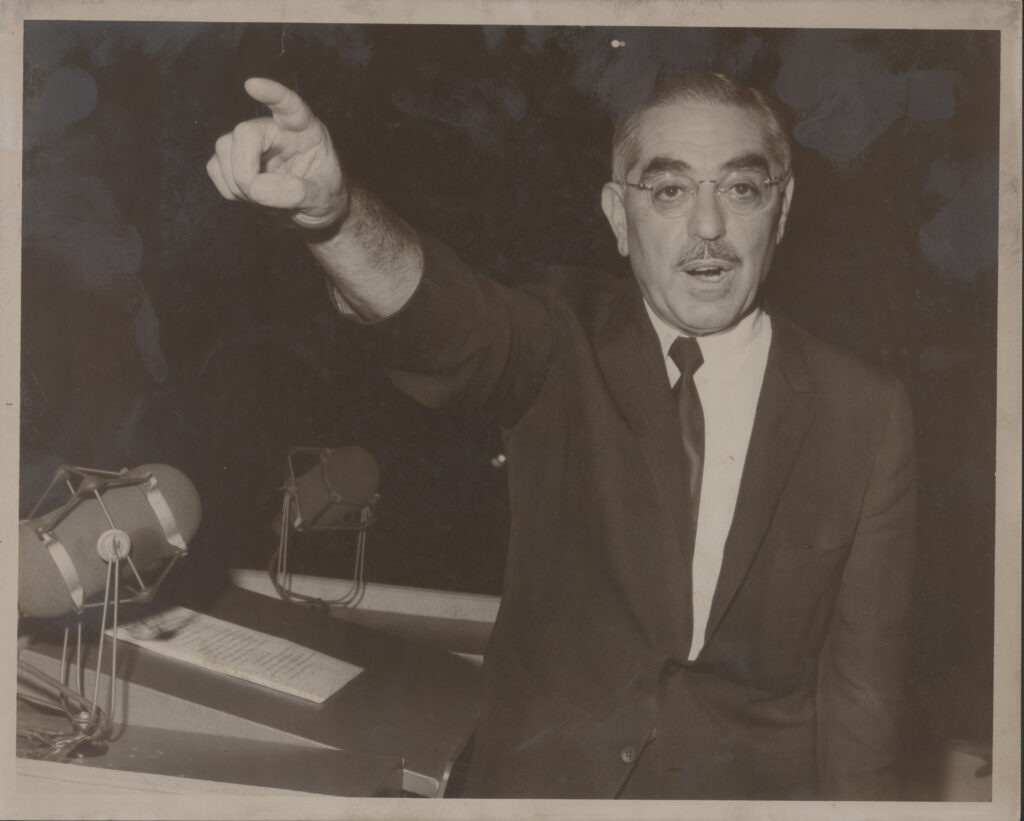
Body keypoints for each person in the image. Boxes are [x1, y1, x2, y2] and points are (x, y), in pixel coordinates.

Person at [207, 70, 917, 800]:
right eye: (669, 191)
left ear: (782, 207)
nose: (708, 226)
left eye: (741, 188)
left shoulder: (865, 413)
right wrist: (335, 217)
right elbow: (441, 322)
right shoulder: (561, 339)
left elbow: (864, 708)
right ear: (618, 215)